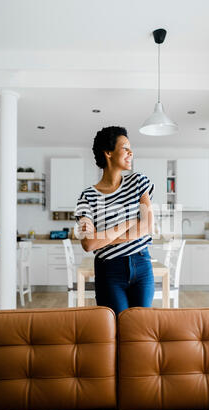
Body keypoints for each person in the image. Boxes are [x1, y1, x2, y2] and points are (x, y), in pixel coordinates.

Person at [74, 126, 155, 315]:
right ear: (108, 152)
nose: (131, 152)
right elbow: (88, 243)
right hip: (109, 271)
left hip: (141, 265)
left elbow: (147, 225)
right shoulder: (87, 197)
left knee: (141, 327)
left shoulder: (138, 182)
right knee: (115, 327)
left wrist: (104, 239)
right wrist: (129, 223)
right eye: (125, 148)